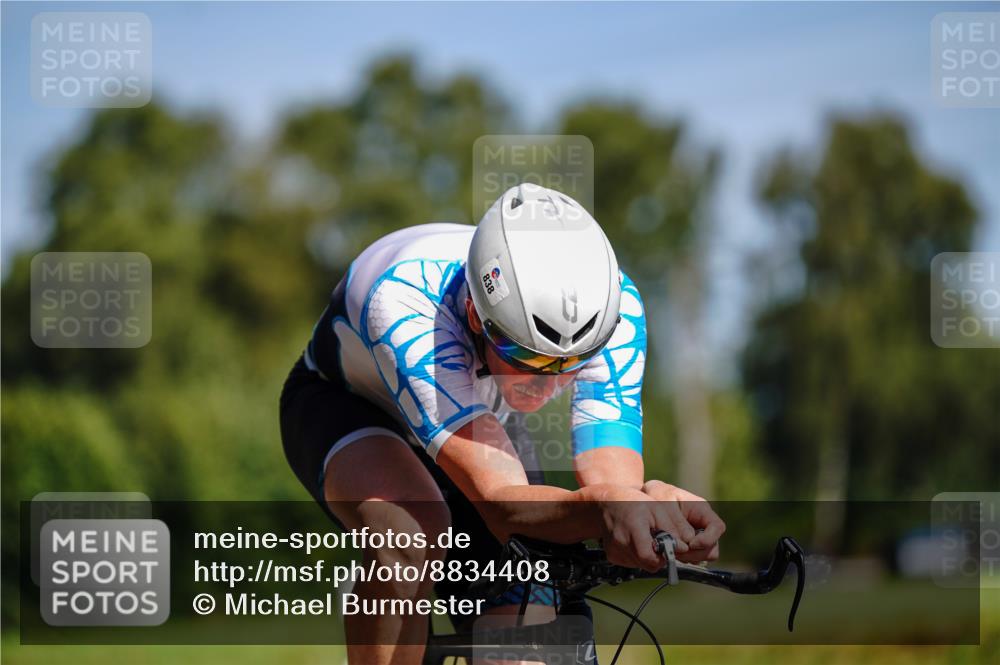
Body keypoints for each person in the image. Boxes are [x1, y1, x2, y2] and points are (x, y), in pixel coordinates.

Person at [280, 183, 725, 664]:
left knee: (527, 615)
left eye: (571, 362)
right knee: (412, 530)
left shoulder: (614, 311)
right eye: (525, 354)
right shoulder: (407, 300)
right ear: (475, 311)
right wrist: (607, 510)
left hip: (483, 413)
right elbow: (501, 503)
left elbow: (610, 489)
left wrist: (649, 509)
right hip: (349, 405)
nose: (547, 381)